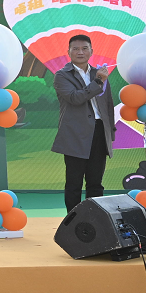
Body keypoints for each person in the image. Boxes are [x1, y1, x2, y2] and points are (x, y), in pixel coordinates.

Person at [52, 34, 117, 213]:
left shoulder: (100, 73)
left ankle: (95, 220)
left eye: (84, 48)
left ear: (91, 51)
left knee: (95, 183)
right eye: (76, 49)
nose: (80, 52)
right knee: (74, 182)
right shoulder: (62, 76)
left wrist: (109, 133)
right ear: (69, 52)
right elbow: (75, 98)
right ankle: (73, 224)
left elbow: (108, 104)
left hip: (99, 132)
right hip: (75, 134)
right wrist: (97, 82)